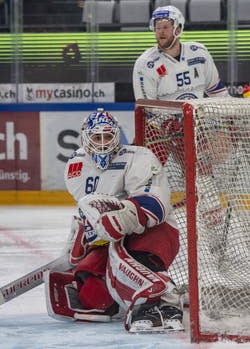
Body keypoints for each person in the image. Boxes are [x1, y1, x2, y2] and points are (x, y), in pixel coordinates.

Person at [44, 108, 183, 333]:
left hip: (151, 233)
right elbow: (85, 211)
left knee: (127, 259)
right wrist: (81, 236)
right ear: (85, 138)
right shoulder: (76, 166)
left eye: (107, 136)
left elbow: (156, 206)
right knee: (93, 297)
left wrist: (118, 220)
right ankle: (126, 297)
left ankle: (164, 300)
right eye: (96, 137)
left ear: (117, 136)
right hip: (110, 240)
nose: (102, 143)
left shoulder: (138, 157)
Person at [133, 5, 227, 101]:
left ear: (178, 30)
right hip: (164, 115)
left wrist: (231, 111)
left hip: (197, 116)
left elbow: (217, 92)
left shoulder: (199, 52)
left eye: (165, 27)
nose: (161, 32)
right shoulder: (145, 64)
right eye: (158, 28)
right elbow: (146, 108)